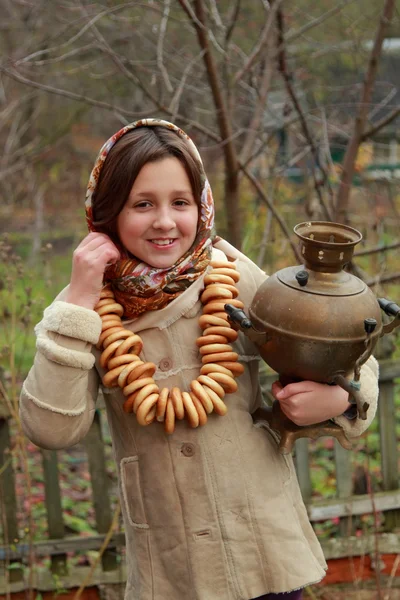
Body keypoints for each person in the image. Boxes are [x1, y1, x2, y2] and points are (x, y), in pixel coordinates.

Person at [20, 119, 379, 600]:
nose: (165, 221)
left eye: (180, 202)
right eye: (142, 204)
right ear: (107, 214)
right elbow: (51, 428)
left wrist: (341, 397)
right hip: (172, 567)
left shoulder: (232, 275)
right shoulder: (81, 307)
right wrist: (81, 295)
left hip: (265, 550)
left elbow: (345, 350)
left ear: (202, 205)